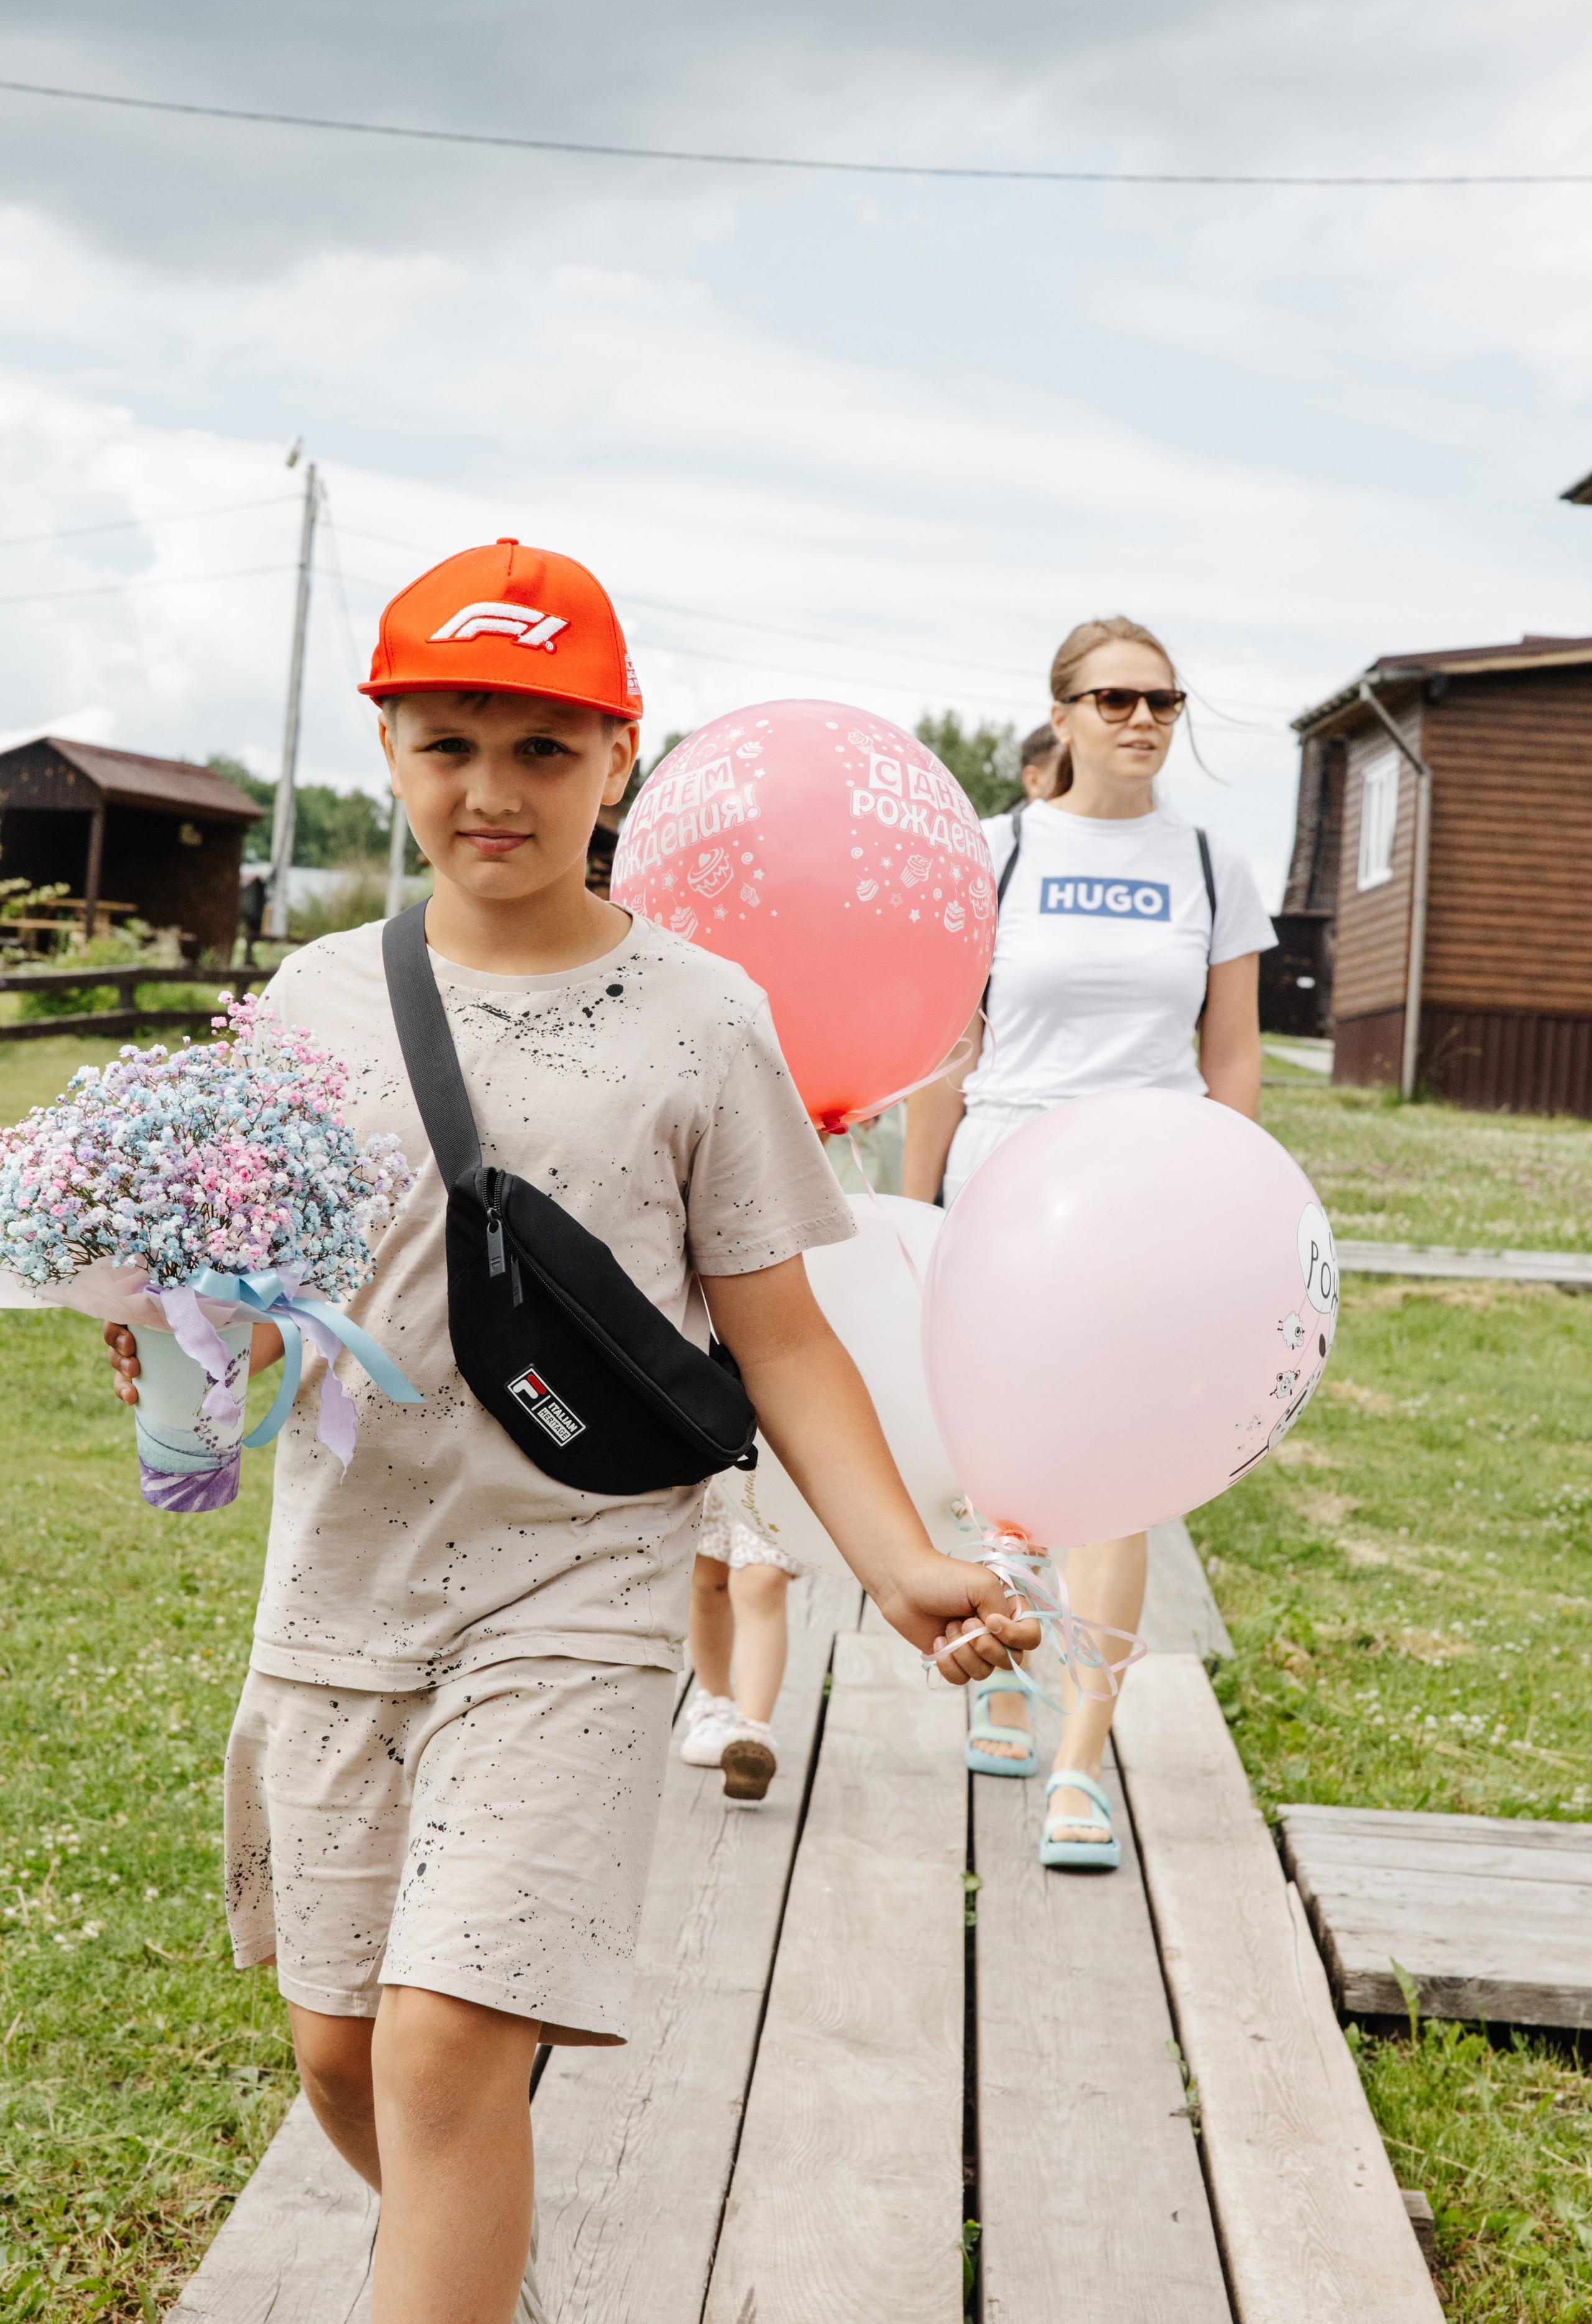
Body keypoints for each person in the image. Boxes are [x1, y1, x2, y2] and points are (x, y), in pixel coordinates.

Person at [104, 539, 1035, 2324]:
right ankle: (481, 2285)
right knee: (343, 2056)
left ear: (622, 758)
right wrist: (168, 1345)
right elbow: (242, 1299)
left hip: (580, 1594)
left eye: (544, 749)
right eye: (450, 741)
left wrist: (900, 1559)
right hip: (342, 1593)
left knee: (453, 2046)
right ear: (387, 747)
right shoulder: (303, 1005)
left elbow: (784, 1336)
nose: (493, 790)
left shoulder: (701, 1019)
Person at [903, 614, 1274, 1870]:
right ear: (1058, 715)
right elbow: (947, 1056)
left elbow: (1230, 1061)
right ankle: (1002, 1668)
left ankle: (1081, 1759)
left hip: (1151, 1192)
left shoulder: (1214, 866)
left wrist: (1236, 1212)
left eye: (1162, 702)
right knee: (1000, 1471)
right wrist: (919, 1216)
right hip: (1006, 1175)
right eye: (1112, 700)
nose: (1140, 722)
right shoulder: (993, 853)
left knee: (1119, 1476)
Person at [678, 1477, 799, 1799]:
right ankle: (717, 1703)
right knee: (707, 1581)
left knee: (762, 1580)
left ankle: (751, 1736)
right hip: (714, 1444)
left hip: (779, 1453)